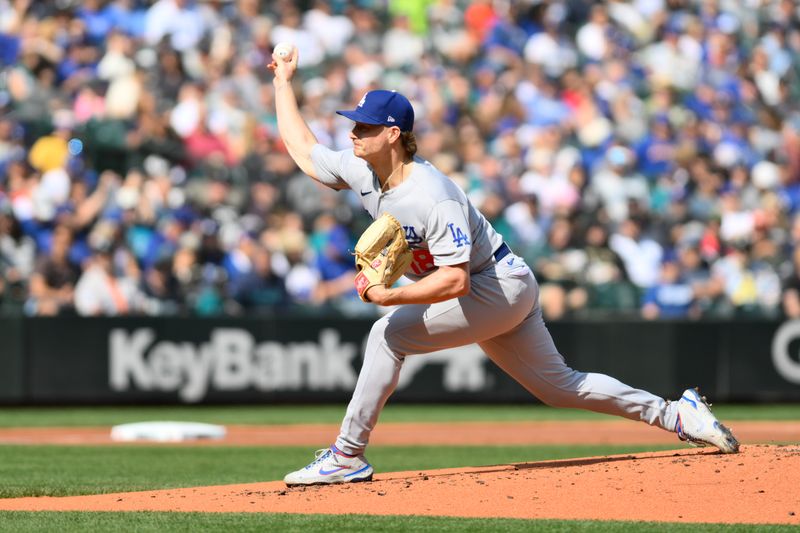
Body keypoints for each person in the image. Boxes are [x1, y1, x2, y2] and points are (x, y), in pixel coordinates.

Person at [268, 47, 739, 486]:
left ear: (393, 134)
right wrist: (283, 83)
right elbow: (305, 152)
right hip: (497, 284)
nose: (353, 133)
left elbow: (453, 280)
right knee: (561, 387)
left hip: (492, 285)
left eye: (365, 127)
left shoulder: (432, 194)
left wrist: (389, 297)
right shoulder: (362, 171)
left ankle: (348, 455)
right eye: (354, 124)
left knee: (386, 335)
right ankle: (679, 414)